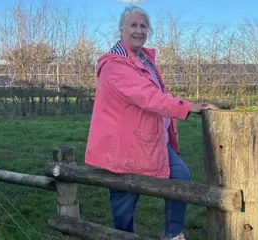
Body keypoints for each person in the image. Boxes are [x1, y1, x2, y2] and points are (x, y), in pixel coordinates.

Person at [84, 5, 218, 240]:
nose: (139, 30)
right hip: (124, 149)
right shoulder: (116, 65)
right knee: (124, 205)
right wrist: (189, 106)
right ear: (121, 30)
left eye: (143, 25)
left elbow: (155, 96)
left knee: (180, 176)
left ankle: (173, 235)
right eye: (133, 25)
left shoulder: (144, 60)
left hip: (150, 142)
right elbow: (148, 97)